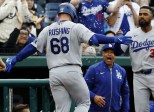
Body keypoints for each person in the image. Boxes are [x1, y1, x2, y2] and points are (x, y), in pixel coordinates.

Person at [4, 2, 132, 112]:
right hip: (72, 70)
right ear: (72, 13)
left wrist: (15, 59)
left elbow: (31, 47)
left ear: (59, 14)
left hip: (54, 73)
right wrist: (115, 39)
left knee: (62, 109)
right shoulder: (75, 27)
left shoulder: (47, 29)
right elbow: (94, 39)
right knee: (84, 102)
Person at [114, 6, 154, 111]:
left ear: (151, 16)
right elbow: (117, 52)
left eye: (145, 14)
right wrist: (117, 41)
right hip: (138, 76)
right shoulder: (131, 34)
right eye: (140, 14)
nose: (142, 16)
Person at [84, 44, 130, 112]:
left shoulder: (121, 71)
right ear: (102, 54)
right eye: (106, 52)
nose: (109, 54)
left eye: (111, 52)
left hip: (115, 110)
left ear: (115, 55)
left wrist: (126, 110)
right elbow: (83, 88)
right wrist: (93, 97)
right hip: (96, 109)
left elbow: (125, 93)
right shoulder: (93, 69)